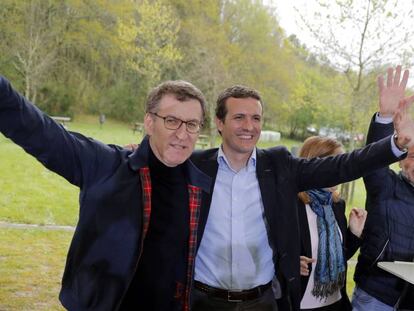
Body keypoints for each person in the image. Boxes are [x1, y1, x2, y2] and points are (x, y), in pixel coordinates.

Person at [189, 83, 414, 311]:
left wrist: (393, 138)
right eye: (239, 117)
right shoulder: (193, 167)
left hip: (261, 302)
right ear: (219, 122)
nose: (249, 126)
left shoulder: (279, 167)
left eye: (256, 118)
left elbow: (346, 165)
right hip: (203, 300)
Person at [0, 76, 212, 310]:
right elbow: (41, 132)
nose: (182, 134)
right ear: (149, 123)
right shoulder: (106, 166)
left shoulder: (202, 186)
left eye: (192, 124)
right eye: (171, 121)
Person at [351, 66, 414, 310]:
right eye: (410, 154)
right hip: (376, 296)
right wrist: (386, 117)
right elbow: (372, 160)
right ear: (399, 158)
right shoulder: (385, 183)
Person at [297, 136, 367, 311]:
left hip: (335, 303)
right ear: (314, 165)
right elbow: (271, 251)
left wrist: (354, 233)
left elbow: (339, 257)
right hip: (301, 304)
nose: (341, 174)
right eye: (337, 167)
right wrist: (289, 263)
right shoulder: (291, 205)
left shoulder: (335, 204)